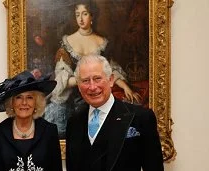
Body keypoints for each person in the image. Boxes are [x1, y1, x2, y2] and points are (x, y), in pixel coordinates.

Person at [45, 2, 141, 138]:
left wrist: (125, 87)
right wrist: (84, 81)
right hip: (72, 98)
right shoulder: (67, 42)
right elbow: (62, 79)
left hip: (98, 95)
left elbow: (110, 70)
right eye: (77, 15)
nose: (81, 19)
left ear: (92, 16)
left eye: (84, 14)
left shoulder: (102, 42)